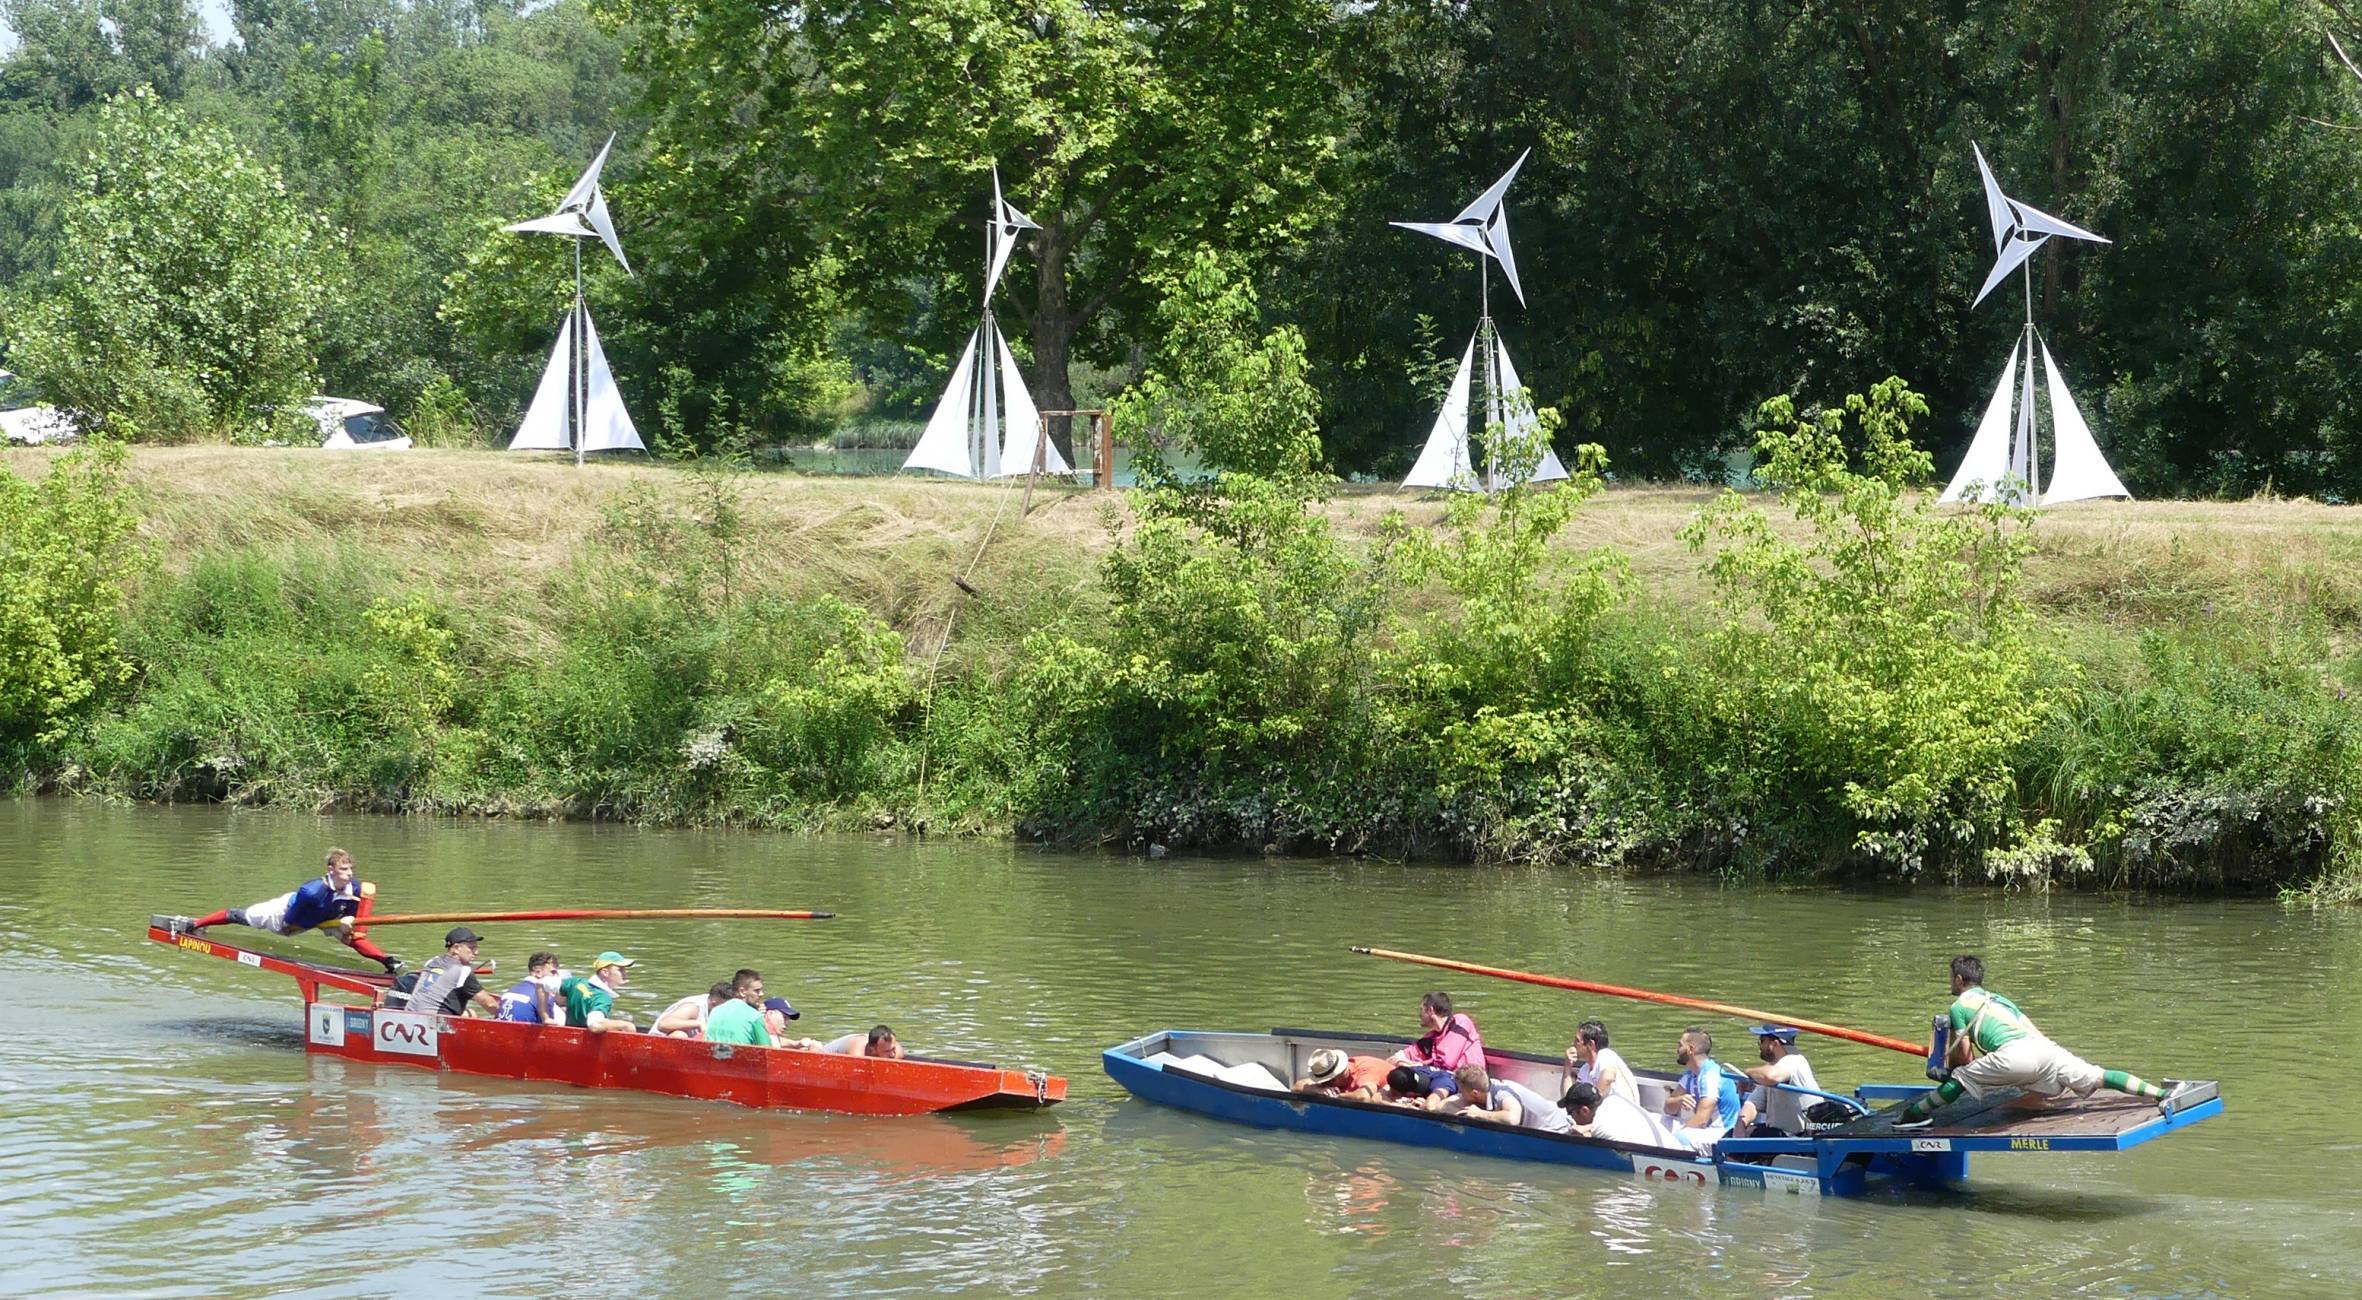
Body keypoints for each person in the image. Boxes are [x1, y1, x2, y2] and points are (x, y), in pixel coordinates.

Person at [1894, 955, 2187, 1130]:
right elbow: (2033, 1030)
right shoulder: (1999, 999)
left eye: (1951, 978)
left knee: (1960, 1079)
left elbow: (1966, 1055)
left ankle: (1915, 1115)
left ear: (1959, 979)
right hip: (2044, 1049)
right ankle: (2161, 1093)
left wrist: (1950, 1066)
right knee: (2099, 1076)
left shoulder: (1959, 1007)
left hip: (2014, 1055)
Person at [176, 848, 400, 975]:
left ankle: (388, 961)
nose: (349, 873)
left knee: (350, 937)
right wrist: (325, 920)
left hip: (323, 917)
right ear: (331, 871)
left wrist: (347, 924)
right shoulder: (311, 892)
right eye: (344, 869)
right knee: (240, 916)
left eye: (351, 869)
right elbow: (293, 921)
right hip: (284, 916)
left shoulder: (355, 889)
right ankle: (195, 924)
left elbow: (358, 925)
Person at [1734, 1024, 1821, 1137]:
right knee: (1731, 1136)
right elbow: (1753, 1103)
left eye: (1762, 1040)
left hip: (1798, 1136)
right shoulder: (1772, 1067)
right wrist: (1740, 1126)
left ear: (1774, 1044)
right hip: (1779, 1133)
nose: (1759, 1046)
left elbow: (1771, 1076)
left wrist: (1747, 1072)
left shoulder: (1794, 1061)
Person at [1438, 1062, 1573, 1134]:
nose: (1460, 1093)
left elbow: (1512, 1119)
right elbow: (1444, 1106)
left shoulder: (1502, 1094)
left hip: (1557, 1129)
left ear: (1474, 1093)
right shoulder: (1485, 1090)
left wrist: (1479, 1114)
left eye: (1461, 1090)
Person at [394, 928, 501, 1017]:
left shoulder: (432, 962)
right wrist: (505, 1015)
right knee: (474, 1015)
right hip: (433, 1024)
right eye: (472, 948)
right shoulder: (463, 971)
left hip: (409, 1017)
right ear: (456, 948)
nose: (476, 952)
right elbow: (489, 1004)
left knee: (469, 1013)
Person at [1663, 1027, 1740, 1150]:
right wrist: (1679, 1100)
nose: (1677, 1050)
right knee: (1660, 1120)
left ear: (1691, 1049)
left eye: (1680, 1045)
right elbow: (1668, 1109)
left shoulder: (1711, 1076)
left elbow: (1701, 1120)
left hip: (1721, 1134)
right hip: (1704, 1131)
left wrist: (1672, 1137)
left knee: (1680, 1137)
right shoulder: (1690, 1074)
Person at [1390, 992, 1483, 1094]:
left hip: (1467, 1083)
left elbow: (1447, 1061)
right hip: (1438, 1077)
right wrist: (1401, 1062)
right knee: (1398, 1077)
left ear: (1430, 1010)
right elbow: (1398, 1057)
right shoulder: (1431, 1037)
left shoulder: (1460, 1022)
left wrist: (1416, 1065)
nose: (1419, 1014)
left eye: (1421, 1010)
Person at [1564, 1081, 1675, 1147]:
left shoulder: (1600, 1128)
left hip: (1671, 1160)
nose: (1570, 1117)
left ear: (1584, 1111)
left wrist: (1583, 1132)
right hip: (1676, 1148)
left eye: (1570, 1113)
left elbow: (1598, 1130)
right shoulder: (1614, 1099)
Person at [1567, 1019, 1640, 1107]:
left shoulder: (1606, 1055)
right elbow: (1569, 1100)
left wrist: (1590, 1106)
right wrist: (1567, 1067)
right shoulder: (1584, 1070)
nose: (1573, 1044)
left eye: (1577, 1041)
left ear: (1590, 1044)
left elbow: (1608, 1077)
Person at [560, 952, 638, 1032]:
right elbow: (595, 1025)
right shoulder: (602, 998)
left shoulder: (575, 981)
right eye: (620, 970)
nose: (625, 973)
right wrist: (626, 1025)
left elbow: (550, 987)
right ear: (605, 972)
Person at [702, 969, 773, 1046]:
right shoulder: (754, 1016)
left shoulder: (716, 1010)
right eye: (757, 991)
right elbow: (767, 1050)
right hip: (740, 1057)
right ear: (742, 992)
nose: (761, 994)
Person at [1295, 1048, 1395, 1099]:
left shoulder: (1366, 1072)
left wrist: (1336, 1096)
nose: (1327, 1084)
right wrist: (1318, 1090)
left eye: (1330, 1080)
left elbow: (1363, 1096)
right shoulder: (1327, 1075)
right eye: (1324, 1081)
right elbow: (1297, 1086)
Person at [498, 953, 566, 1025]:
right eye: (553, 972)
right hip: (522, 1034)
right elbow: (556, 1028)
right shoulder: (544, 998)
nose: (556, 976)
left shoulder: (511, 990)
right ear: (538, 972)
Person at [652, 982, 734, 1038]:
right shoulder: (693, 1007)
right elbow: (663, 1024)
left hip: (688, 1046)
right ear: (713, 1003)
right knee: (679, 1035)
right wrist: (699, 1024)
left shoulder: (716, 1009)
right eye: (727, 1007)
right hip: (656, 1043)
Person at [818, 1025, 906, 1059]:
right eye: (887, 1051)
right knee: (815, 1050)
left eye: (893, 1049)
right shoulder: (857, 1052)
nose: (892, 1054)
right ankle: (813, 1044)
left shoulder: (897, 1052)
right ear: (873, 1049)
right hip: (826, 1052)